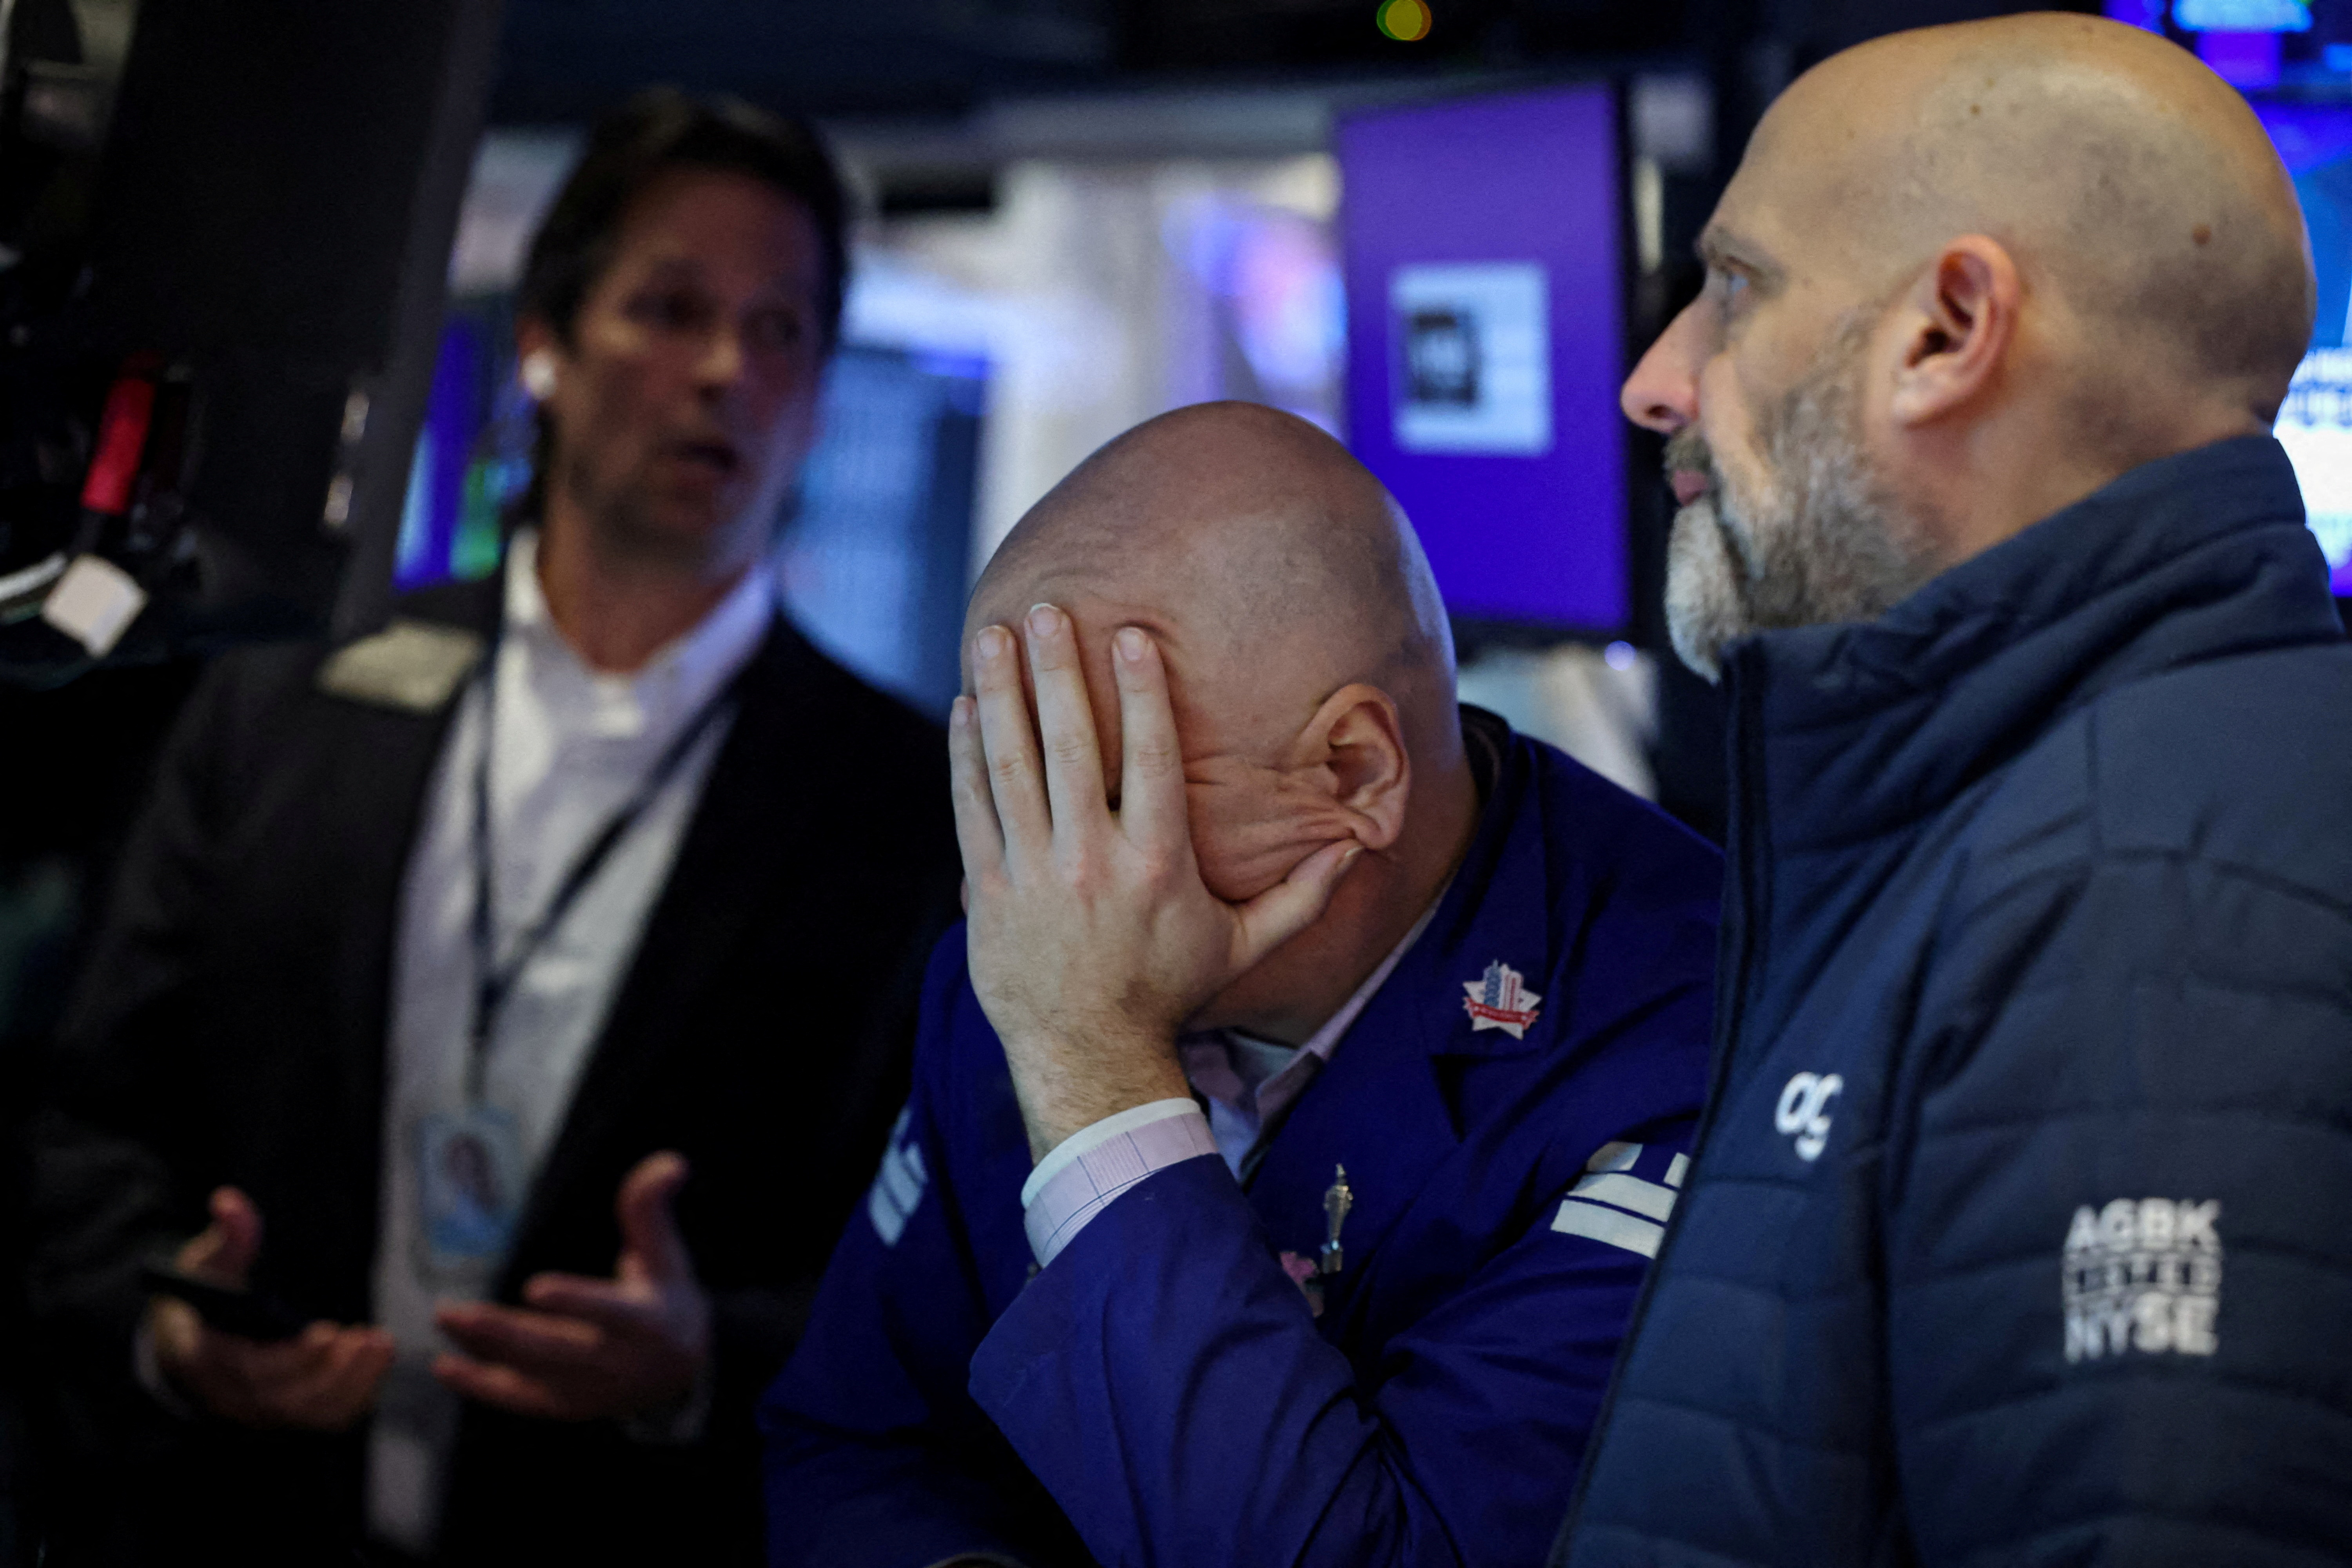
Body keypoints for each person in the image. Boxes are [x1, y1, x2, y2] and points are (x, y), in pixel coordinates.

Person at [27, 91, 960, 1566]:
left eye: (781, 331)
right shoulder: (289, 692)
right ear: (545, 340)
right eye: (669, 309)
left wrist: (702, 1356)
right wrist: (166, 1317)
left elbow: (950, 1274)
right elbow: (84, 1123)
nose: (727, 370)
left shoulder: (912, 810)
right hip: (241, 1529)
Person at [1548, 15, 2352, 1566]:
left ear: (1951, 328)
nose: (1660, 381)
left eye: (1733, 289)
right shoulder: (2031, 818)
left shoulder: (2146, 902)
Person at [761, 401, 1721, 1568]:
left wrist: (1098, 1074)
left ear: (1354, 773)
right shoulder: (1024, 947)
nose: (1017, 888)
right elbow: (854, 1438)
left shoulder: (1695, 1035)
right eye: (1007, 785)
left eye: (1098, 790)